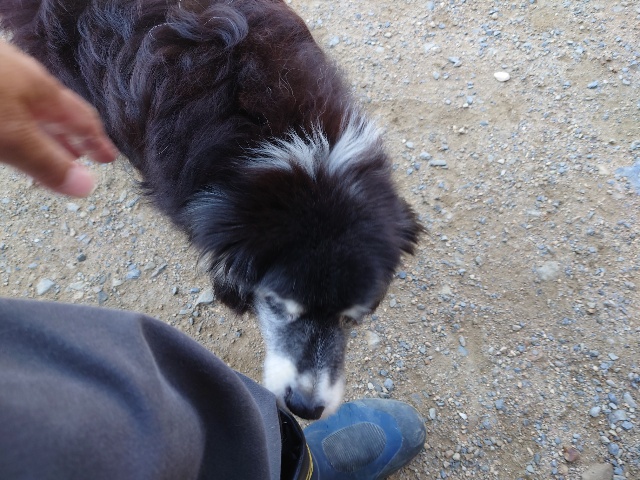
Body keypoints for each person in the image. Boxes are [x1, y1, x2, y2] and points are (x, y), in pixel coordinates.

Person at [0, 40, 426, 479]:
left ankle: (279, 459)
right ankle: (271, 464)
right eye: (283, 306)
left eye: (348, 317)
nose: (314, 390)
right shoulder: (231, 231)